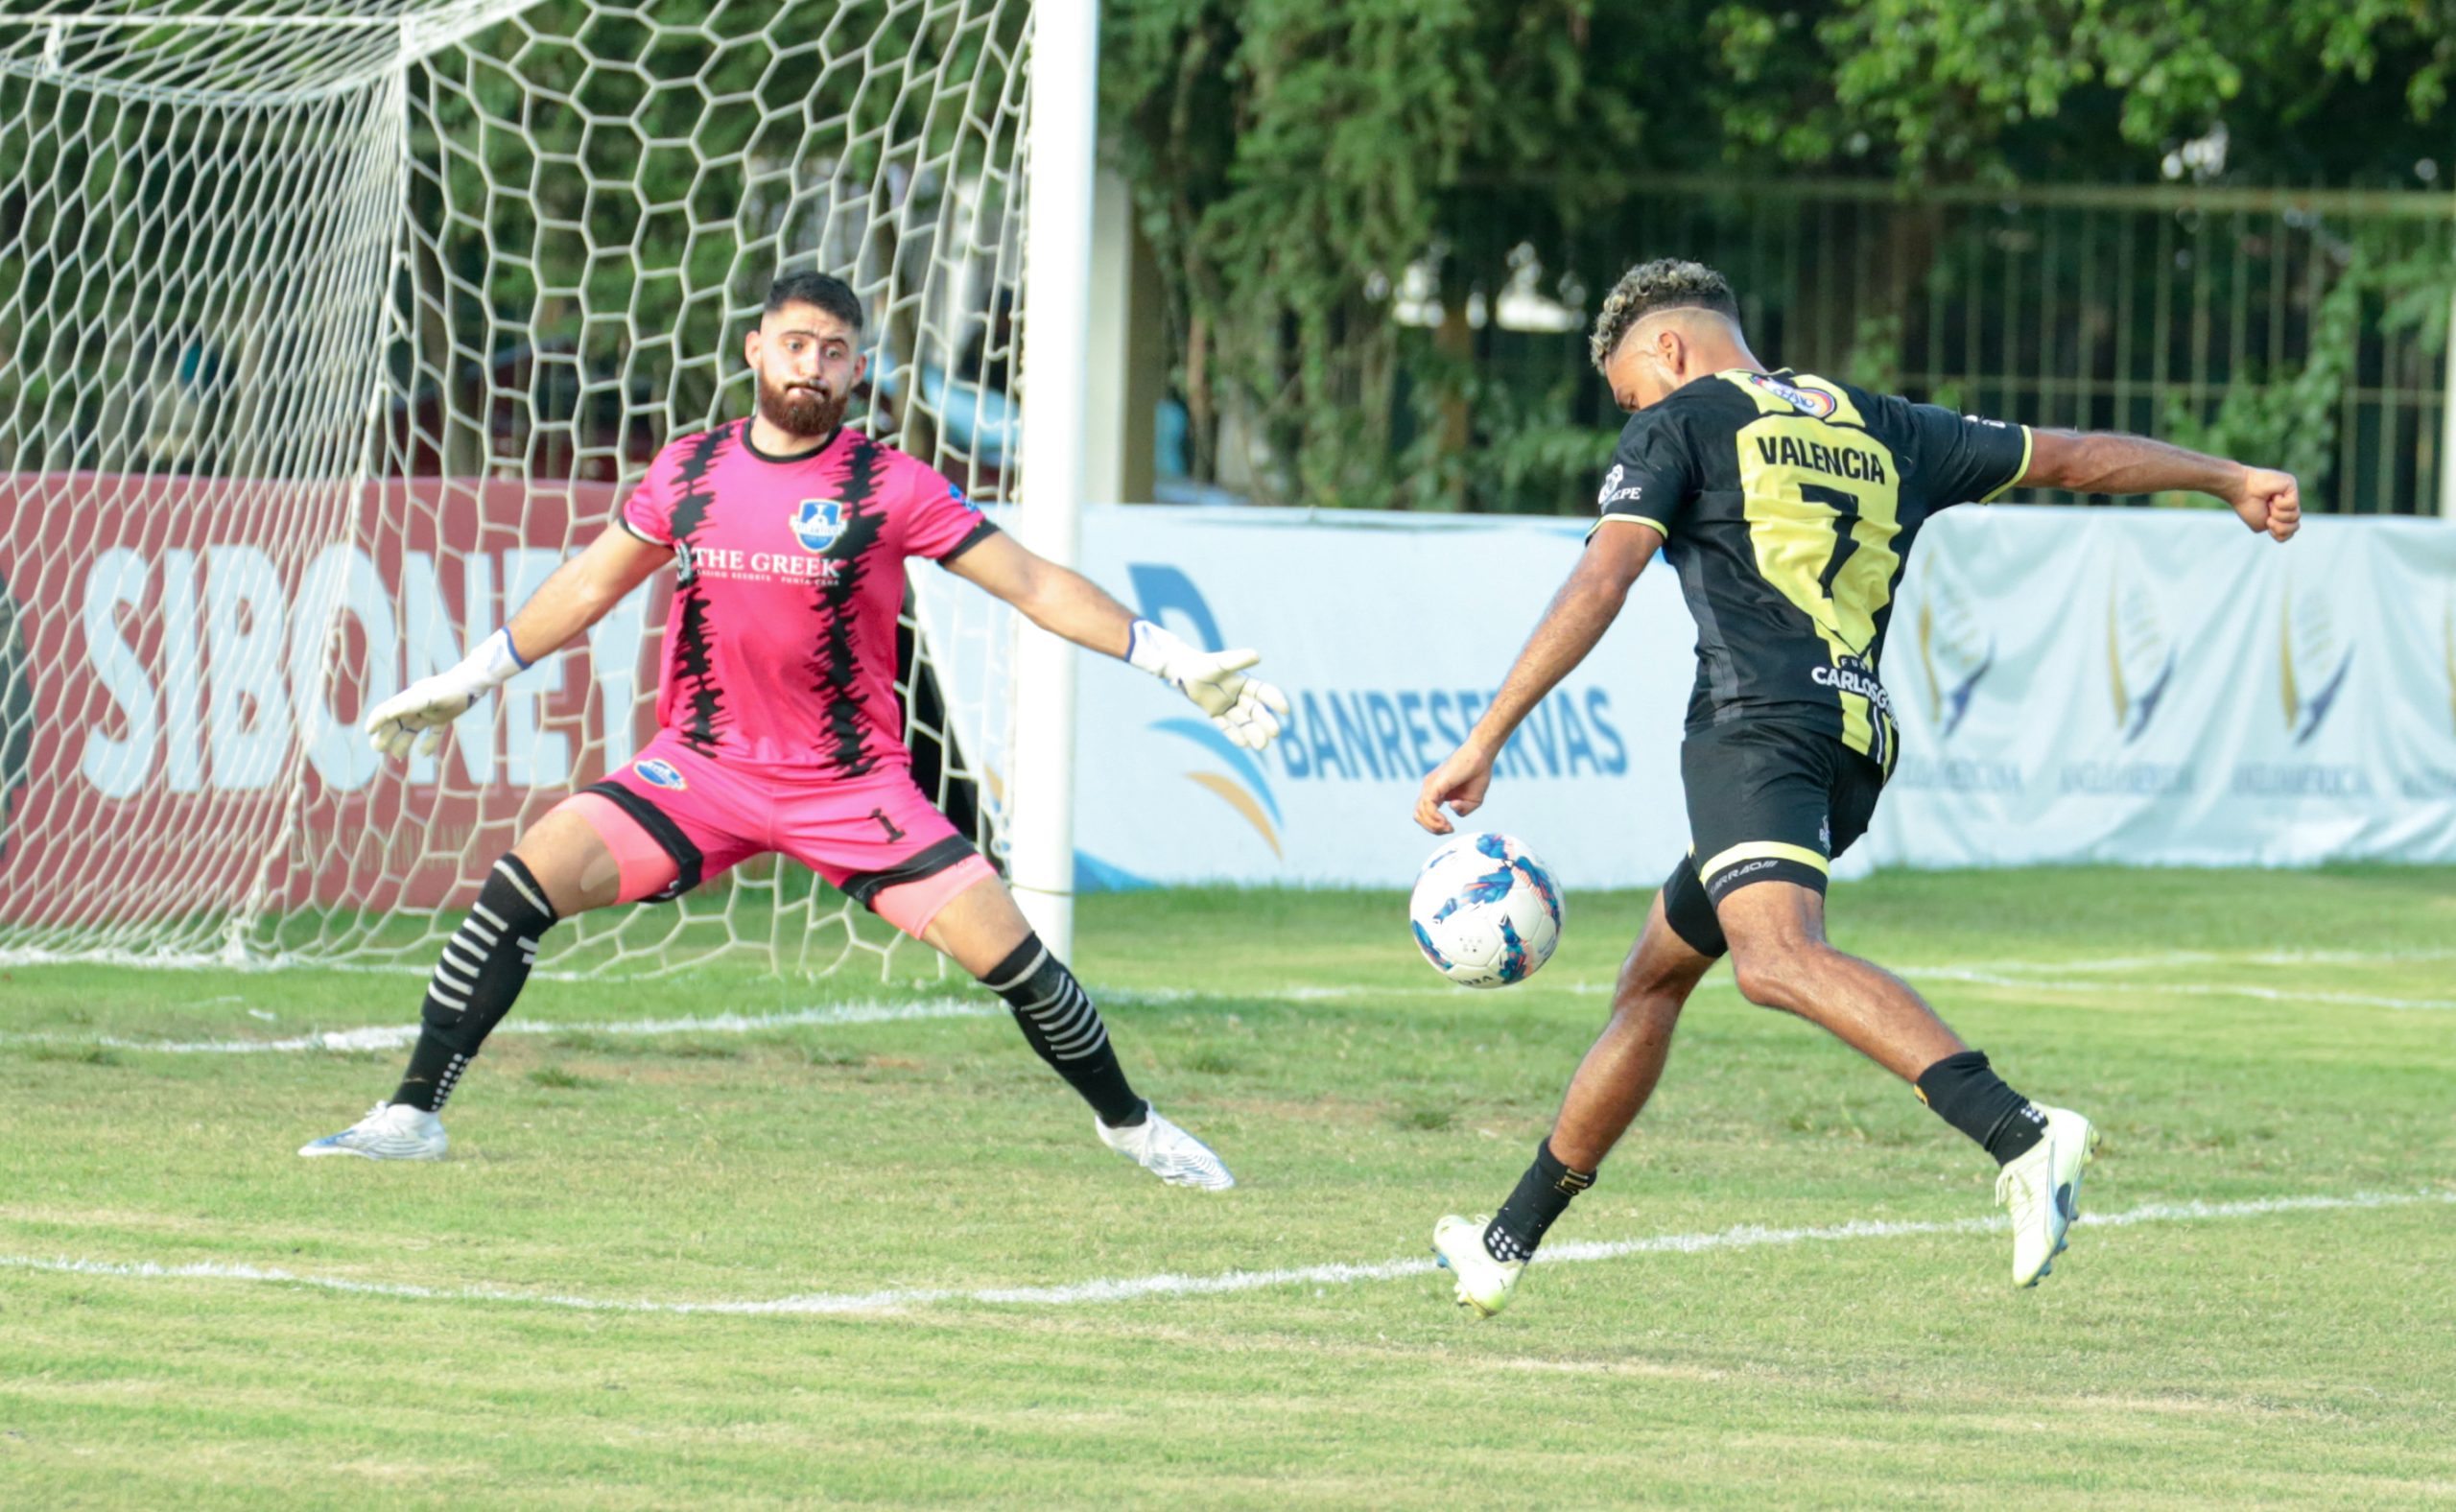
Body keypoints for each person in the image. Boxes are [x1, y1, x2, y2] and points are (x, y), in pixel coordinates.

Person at [1417, 259, 2301, 1315]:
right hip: (1852, 736)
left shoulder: (1683, 422)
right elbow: (2067, 457)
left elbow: (1600, 578)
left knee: (1775, 958)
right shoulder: (1882, 423)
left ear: (1666, 349)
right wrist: (2226, 478)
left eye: (1627, 394)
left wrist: (1486, 735)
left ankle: (2019, 1131)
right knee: (1652, 979)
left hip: (1755, 730)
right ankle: (1504, 1242)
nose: (1632, 415)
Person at [302, 271, 1287, 1190]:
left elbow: (1030, 582)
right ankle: (409, 1114)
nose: (810, 367)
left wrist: (1169, 659)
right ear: (755, 351)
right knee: (523, 881)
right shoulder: (689, 471)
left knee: (1018, 963)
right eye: (795, 345)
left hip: (852, 788)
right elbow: (590, 585)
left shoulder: (892, 484)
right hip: (700, 771)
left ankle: (1127, 1122)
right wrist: (469, 678)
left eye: (833, 353)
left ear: (855, 369)